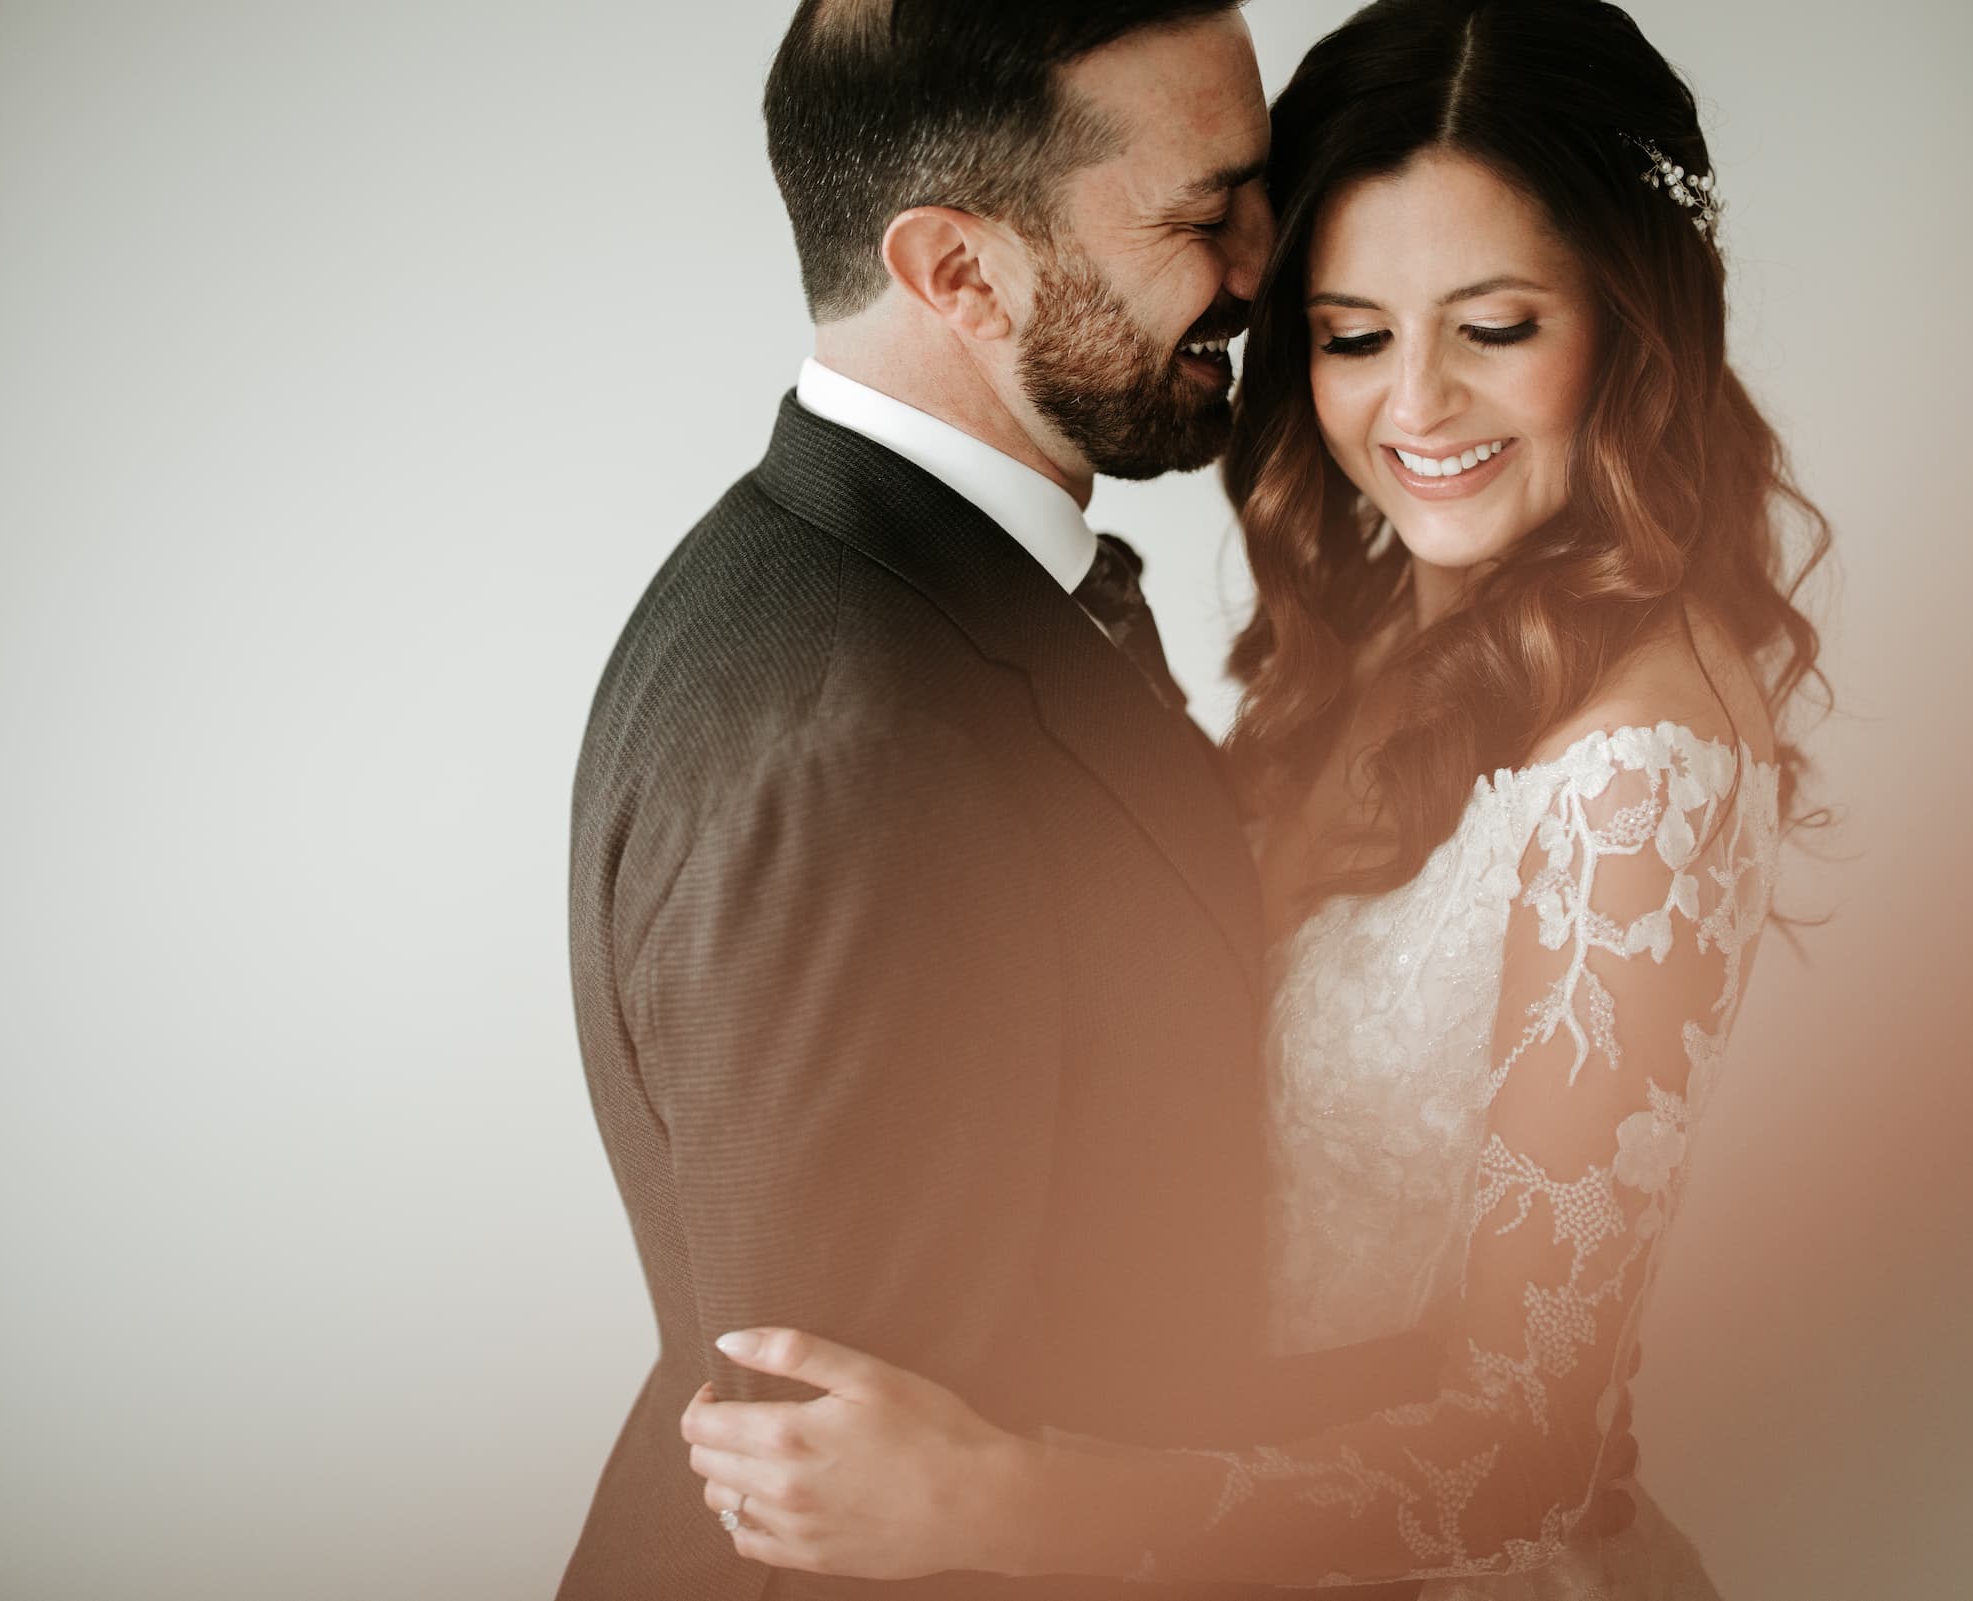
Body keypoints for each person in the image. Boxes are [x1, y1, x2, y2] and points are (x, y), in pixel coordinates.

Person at [677, 0, 1830, 1596]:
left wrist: (1000, 1503)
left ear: (1632, 326)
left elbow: (1531, 1448)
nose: (1416, 407)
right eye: (1354, 335)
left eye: (1494, 328)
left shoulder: (1644, 774)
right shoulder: (1364, 631)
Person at [558, 3, 1507, 1598]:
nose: (1270, 260)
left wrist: (1451, 1425)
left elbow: (1065, 1324)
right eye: (1205, 213)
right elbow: (842, 1511)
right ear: (959, 271)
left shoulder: (896, 587)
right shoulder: (859, 729)